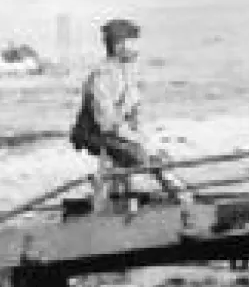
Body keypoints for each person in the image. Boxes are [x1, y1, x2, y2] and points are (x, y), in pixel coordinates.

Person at [70, 18, 193, 202]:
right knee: (146, 156)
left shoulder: (127, 72)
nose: (137, 49)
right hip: (94, 134)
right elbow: (106, 122)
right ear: (118, 46)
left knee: (155, 154)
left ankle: (174, 195)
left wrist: (143, 138)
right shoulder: (102, 76)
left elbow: (134, 113)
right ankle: (182, 198)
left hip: (117, 131)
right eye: (132, 43)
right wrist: (139, 142)